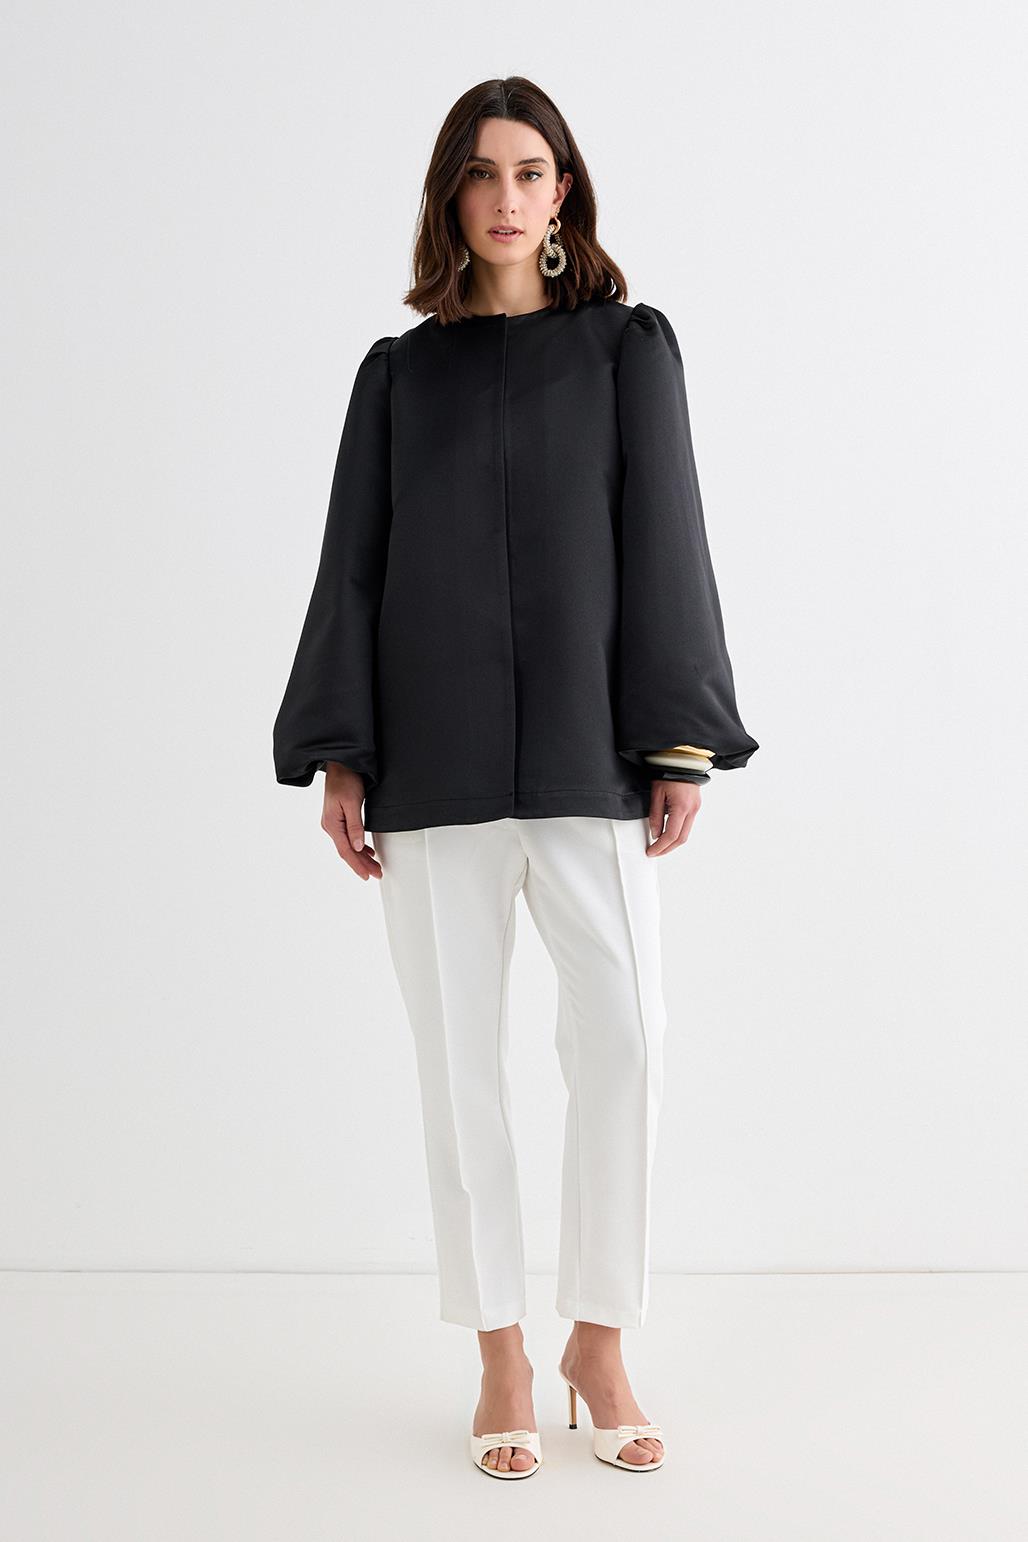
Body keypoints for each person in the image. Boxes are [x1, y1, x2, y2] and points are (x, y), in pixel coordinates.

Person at [273, 76, 759, 1480]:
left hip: (590, 758)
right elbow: (353, 568)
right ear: (451, 197)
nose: (506, 196)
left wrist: (678, 742)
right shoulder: (397, 378)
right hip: (429, 765)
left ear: (563, 193)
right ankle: (498, 1347)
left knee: (627, 1038)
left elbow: (668, 538)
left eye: (531, 171)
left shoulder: (625, 352)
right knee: (459, 1068)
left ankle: (597, 1337)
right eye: (481, 173)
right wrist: (343, 751)